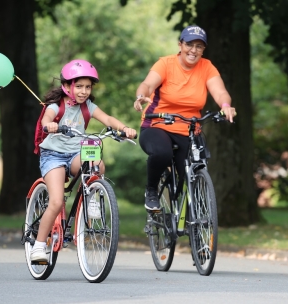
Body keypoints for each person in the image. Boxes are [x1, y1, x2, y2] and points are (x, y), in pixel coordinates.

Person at [31, 59, 137, 262]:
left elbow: (107, 119)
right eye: (78, 86)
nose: (84, 91)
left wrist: (124, 129)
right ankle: (38, 245)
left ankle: (92, 198)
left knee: (97, 161)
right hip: (53, 155)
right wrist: (49, 125)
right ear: (67, 86)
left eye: (88, 87)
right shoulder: (56, 106)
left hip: (75, 154)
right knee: (56, 200)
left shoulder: (88, 106)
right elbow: (46, 119)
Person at [133, 25, 236, 210]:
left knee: (193, 174)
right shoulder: (165, 64)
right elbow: (147, 84)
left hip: (189, 130)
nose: (193, 50)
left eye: (199, 46)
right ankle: (151, 190)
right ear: (180, 44)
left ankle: (194, 222)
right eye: (189, 44)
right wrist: (141, 95)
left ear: (203, 49)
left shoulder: (207, 67)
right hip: (157, 125)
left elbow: (220, 92)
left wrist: (226, 106)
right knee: (162, 153)